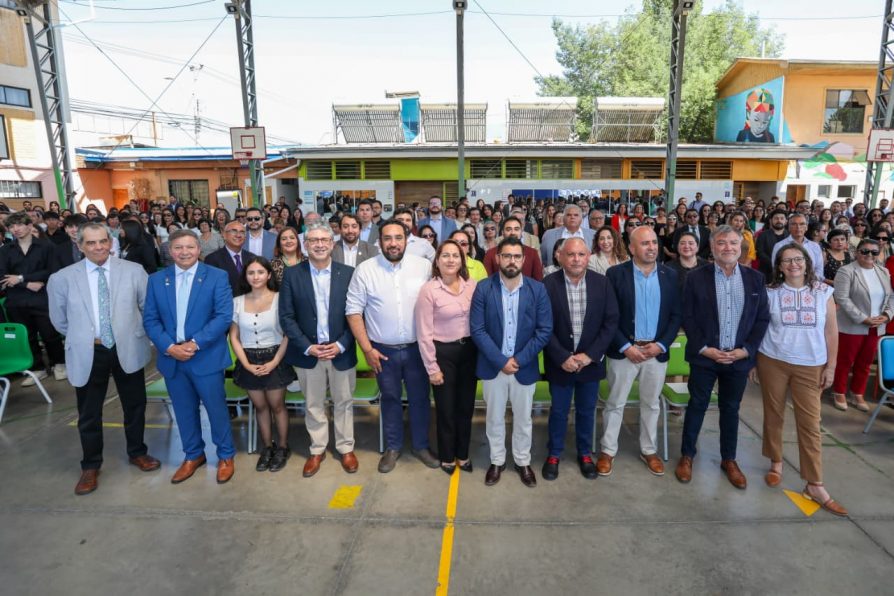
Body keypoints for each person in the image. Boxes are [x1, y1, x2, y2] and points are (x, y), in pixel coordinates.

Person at [47, 223, 160, 496]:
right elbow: (59, 320)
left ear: (110, 242)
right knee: (89, 412)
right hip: (89, 350)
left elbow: (148, 308)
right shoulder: (62, 278)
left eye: (102, 241)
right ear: (80, 246)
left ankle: (137, 452)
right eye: (90, 243)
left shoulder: (133, 271)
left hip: (127, 347)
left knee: (135, 405)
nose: (98, 247)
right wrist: (85, 336)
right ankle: (90, 465)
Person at [754, 244, 847, 517]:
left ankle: (815, 483)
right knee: (773, 415)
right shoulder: (770, 292)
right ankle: (776, 462)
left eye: (798, 259)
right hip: (773, 360)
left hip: (810, 365)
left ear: (807, 263)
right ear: (779, 267)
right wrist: (753, 363)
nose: (793, 264)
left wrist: (831, 366)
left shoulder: (823, 292)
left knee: (810, 424)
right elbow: (760, 327)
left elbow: (831, 332)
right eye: (787, 261)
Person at [676, 226, 770, 489]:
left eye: (732, 243)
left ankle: (729, 459)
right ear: (712, 247)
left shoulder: (755, 279)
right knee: (697, 405)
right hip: (705, 357)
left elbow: (762, 318)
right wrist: (703, 348)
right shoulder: (695, 277)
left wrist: (747, 350)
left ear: (741, 247)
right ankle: (687, 455)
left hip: (738, 359)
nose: (727, 247)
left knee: (731, 409)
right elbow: (687, 316)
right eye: (721, 242)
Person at [143, 229, 237, 485]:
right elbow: (150, 320)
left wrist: (194, 344)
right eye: (178, 247)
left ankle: (225, 455)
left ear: (198, 249)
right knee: (184, 411)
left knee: (216, 410)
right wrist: (169, 347)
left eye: (190, 247)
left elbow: (223, 316)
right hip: (172, 358)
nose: (184, 252)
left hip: (206, 356)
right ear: (170, 251)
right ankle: (193, 455)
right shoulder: (156, 280)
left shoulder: (217, 276)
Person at [346, 219, 436, 473]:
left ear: (407, 240)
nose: (393, 243)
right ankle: (393, 447)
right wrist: (367, 349)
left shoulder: (423, 267)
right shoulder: (365, 270)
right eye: (388, 238)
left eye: (398, 238)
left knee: (420, 399)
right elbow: (353, 311)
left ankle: (421, 446)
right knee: (390, 399)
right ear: (379, 241)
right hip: (382, 351)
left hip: (418, 350)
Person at [600, 226, 682, 477]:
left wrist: (661, 345)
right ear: (632, 248)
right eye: (645, 243)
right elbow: (608, 315)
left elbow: (676, 315)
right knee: (615, 403)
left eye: (654, 242)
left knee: (651, 404)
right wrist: (626, 347)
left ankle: (649, 450)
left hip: (656, 352)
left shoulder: (670, 275)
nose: (652, 247)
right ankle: (607, 451)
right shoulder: (615, 274)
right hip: (625, 351)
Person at [471, 237, 552, 488]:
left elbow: (544, 330)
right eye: (506, 256)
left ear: (524, 259)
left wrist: (518, 359)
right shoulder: (483, 288)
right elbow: (477, 330)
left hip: (523, 367)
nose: (512, 261)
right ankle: (497, 460)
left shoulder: (537, 289)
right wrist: (501, 361)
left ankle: (522, 460)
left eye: (516, 256)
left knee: (524, 419)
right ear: (498, 258)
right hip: (493, 367)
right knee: (494, 417)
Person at [280, 223, 359, 476]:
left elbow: (358, 313)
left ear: (332, 244)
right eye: (314, 240)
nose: (320, 244)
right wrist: (307, 347)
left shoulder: (349, 273)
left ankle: (346, 448)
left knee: (343, 402)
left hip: (341, 350)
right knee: (313, 404)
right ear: (305, 245)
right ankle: (317, 449)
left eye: (324, 239)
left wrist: (341, 344)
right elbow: (286, 317)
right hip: (308, 353)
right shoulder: (292, 275)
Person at [542, 238, 619, 481]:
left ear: (588, 257)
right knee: (558, 411)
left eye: (581, 254)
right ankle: (554, 454)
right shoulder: (547, 284)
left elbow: (610, 322)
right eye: (571, 254)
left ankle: (585, 454)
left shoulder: (602, 283)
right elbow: (543, 325)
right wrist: (562, 356)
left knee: (587, 411)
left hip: (590, 364)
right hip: (560, 363)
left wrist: (590, 355)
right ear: (560, 257)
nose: (576, 259)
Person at [415, 239, 478, 474]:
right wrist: (432, 367)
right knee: (446, 408)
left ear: (462, 260)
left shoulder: (472, 286)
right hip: (443, 354)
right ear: (437, 261)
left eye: (455, 255)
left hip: (469, 352)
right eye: (445, 255)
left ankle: (463, 453)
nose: (451, 260)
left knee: (466, 407)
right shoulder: (429, 290)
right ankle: (447, 456)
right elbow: (424, 333)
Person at [229, 257, 295, 473]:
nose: (255, 277)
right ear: (245, 276)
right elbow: (234, 337)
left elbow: (288, 334)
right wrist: (246, 365)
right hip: (249, 359)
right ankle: (267, 447)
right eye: (251, 273)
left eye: (260, 272)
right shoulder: (237, 302)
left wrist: (275, 361)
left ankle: (283, 447)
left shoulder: (280, 299)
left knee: (277, 406)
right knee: (260, 406)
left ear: (268, 275)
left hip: (275, 357)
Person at [0, 212, 66, 383]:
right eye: (11, 226)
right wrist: (27, 283)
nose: (16, 229)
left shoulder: (46, 246)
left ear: (30, 226)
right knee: (27, 336)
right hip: (17, 299)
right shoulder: (5, 250)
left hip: (41, 297)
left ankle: (59, 363)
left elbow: (52, 271)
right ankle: (37, 368)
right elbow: (3, 276)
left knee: (49, 333)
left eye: (19, 225)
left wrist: (21, 278)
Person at [831, 238, 894, 412]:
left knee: (865, 362)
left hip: (876, 326)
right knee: (845, 361)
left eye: (874, 252)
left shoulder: (883, 271)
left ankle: (857, 392)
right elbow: (842, 298)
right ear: (857, 252)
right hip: (852, 326)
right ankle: (839, 391)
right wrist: (862, 318)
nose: (869, 255)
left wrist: (887, 315)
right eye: (865, 251)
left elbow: (891, 296)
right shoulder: (846, 271)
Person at [204, 221, 257, 296]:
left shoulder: (252, 258)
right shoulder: (212, 259)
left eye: (242, 232)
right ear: (224, 235)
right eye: (234, 231)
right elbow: (211, 289)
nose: (238, 235)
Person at [771, 213, 824, 281]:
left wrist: (810, 281)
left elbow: (819, 270)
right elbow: (776, 269)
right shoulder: (780, 245)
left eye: (802, 224)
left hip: (812, 283)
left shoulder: (815, 246)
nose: (798, 227)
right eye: (794, 224)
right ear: (789, 227)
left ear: (806, 227)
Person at [540, 205, 595, 269]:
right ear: (563, 218)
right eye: (568, 215)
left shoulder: (593, 235)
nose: (572, 217)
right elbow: (543, 258)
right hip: (556, 273)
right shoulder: (549, 235)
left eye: (576, 215)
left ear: (581, 218)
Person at [666, 231, 707, 297]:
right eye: (682, 243)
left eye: (691, 243)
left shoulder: (707, 266)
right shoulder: (668, 268)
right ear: (677, 247)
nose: (686, 246)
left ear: (697, 247)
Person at [756, 209, 789, 282]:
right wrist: (775, 263)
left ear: (786, 221)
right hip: (766, 272)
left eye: (782, 218)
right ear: (771, 221)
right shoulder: (763, 235)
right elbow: (760, 252)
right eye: (776, 218)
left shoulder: (790, 236)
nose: (779, 220)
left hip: (787, 272)